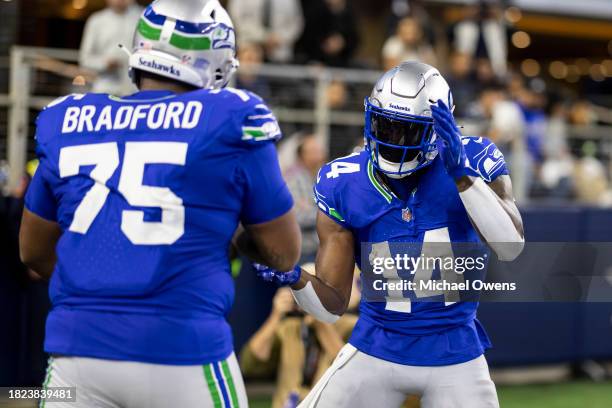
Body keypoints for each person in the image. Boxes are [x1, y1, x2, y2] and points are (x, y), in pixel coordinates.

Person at [19, 1, 301, 407]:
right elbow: (284, 253)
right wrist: (236, 240)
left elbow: (32, 252)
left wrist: (106, 283)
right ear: (217, 60)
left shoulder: (66, 119)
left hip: (76, 355)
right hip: (181, 351)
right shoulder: (232, 116)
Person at [255, 62, 525, 407]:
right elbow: (331, 308)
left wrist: (463, 176)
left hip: (454, 350)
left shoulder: (474, 156)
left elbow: (511, 247)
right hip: (376, 345)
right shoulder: (343, 180)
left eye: (407, 131)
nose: (391, 139)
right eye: (385, 125)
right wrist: (294, 277)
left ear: (437, 131)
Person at [240, 265, 359, 408]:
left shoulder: (352, 326)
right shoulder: (291, 327)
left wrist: (320, 319)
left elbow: (348, 371)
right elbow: (250, 363)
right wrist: (275, 315)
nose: (306, 299)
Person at [79, 0, 143, 95]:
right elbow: (84, 59)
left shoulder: (143, 18)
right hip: (105, 89)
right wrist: (105, 63)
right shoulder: (96, 20)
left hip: (135, 89)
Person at [284, 136, 327, 262]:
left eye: (320, 151)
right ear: (302, 156)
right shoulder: (293, 181)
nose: (319, 156)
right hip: (302, 252)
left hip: (321, 249)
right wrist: (328, 214)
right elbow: (296, 216)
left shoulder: (324, 179)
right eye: (313, 151)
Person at [228, 0, 303, 63]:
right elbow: (237, 19)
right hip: (249, 51)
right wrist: (264, 37)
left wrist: (280, 38)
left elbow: (296, 23)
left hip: (280, 53)